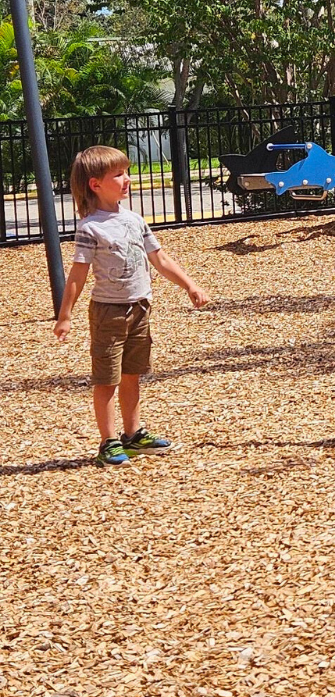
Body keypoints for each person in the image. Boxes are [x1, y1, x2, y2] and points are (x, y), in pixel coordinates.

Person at [53, 145, 210, 467]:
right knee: (106, 379)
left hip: (140, 308)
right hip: (108, 312)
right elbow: (78, 274)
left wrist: (190, 285)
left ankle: (133, 434)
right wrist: (65, 315)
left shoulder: (135, 220)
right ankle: (108, 442)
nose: (127, 180)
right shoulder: (90, 227)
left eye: (126, 173)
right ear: (95, 184)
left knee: (132, 374)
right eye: (119, 175)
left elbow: (160, 259)